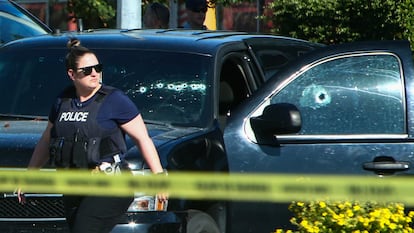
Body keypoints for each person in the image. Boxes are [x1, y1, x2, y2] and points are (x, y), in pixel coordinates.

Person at [18, 38, 167, 233]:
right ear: (72, 74)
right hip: (74, 183)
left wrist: (159, 178)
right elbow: (47, 140)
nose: (94, 73)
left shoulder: (115, 100)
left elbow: (142, 139)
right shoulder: (63, 101)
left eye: (98, 68)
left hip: (110, 183)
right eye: (87, 70)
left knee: (84, 228)